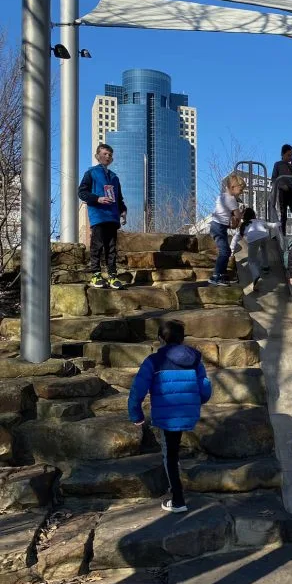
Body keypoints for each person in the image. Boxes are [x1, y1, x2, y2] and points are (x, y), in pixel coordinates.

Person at [127, 319, 212, 514]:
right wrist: (195, 402)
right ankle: (175, 488)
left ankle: (178, 500)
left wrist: (135, 413)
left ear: (159, 339)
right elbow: (205, 388)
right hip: (187, 412)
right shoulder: (194, 359)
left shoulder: (154, 361)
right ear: (182, 339)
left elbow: (137, 389)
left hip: (167, 415)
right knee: (173, 451)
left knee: (170, 455)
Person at [78, 143, 128, 290]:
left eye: (110, 155)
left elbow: (119, 199)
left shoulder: (115, 178)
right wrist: (97, 199)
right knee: (97, 245)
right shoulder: (91, 173)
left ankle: (112, 275)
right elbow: (82, 192)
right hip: (98, 215)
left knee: (111, 248)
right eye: (105, 154)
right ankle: (96, 274)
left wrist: (123, 211)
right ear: (97, 156)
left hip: (113, 217)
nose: (108, 156)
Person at [209, 173, 245, 285]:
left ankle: (222, 275)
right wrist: (240, 216)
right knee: (224, 252)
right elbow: (238, 216)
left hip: (218, 226)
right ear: (233, 187)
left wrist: (231, 222)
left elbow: (224, 215)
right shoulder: (231, 200)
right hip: (218, 228)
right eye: (241, 190)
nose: (242, 192)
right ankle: (216, 276)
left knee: (227, 251)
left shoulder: (222, 196)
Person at [231, 207, 279, 285]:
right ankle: (265, 267)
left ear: (245, 217)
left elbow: (235, 238)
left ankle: (256, 276)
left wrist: (231, 251)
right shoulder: (259, 221)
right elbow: (272, 225)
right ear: (253, 215)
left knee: (251, 260)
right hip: (265, 236)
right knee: (264, 249)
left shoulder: (244, 225)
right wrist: (280, 223)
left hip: (254, 239)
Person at [271, 144, 292, 237]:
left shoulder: (291, 166)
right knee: (284, 215)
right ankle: (282, 235)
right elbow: (274, 178)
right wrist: (282, 186)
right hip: (283, 192)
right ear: (282, 154)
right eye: (288, 155)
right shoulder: (278, 164)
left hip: (291, 192)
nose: (290, 157)